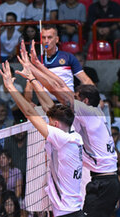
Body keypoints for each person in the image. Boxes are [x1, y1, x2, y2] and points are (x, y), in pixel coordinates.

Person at [16, 46, 117, 216]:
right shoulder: (92, 115)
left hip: (104, 183)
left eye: (76, 97)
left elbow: (59, 87)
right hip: (104, 181)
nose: (72, 98)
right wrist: (36, 68)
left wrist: (32, 69)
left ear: (84, 100)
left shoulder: (88, 113)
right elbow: (55, 97)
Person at [0, 59, 84, 216]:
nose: (47, 123)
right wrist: (32, 79)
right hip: (73, 210)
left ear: (56, 124)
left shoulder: (61, 138)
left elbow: (29, 113)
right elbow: (48, 107)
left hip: (67, 213)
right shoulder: (73, 134)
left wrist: (10, 87)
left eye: (50, 121)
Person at [39, 25, 93, 94]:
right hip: (45, 102)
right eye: (43, 38)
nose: (46, 41)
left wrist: (98, 99)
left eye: (50, 37)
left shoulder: (68, 57)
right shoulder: (37, 60)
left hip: (68, 102)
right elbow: (30, 85)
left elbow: (85, 80)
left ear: (57, 39)